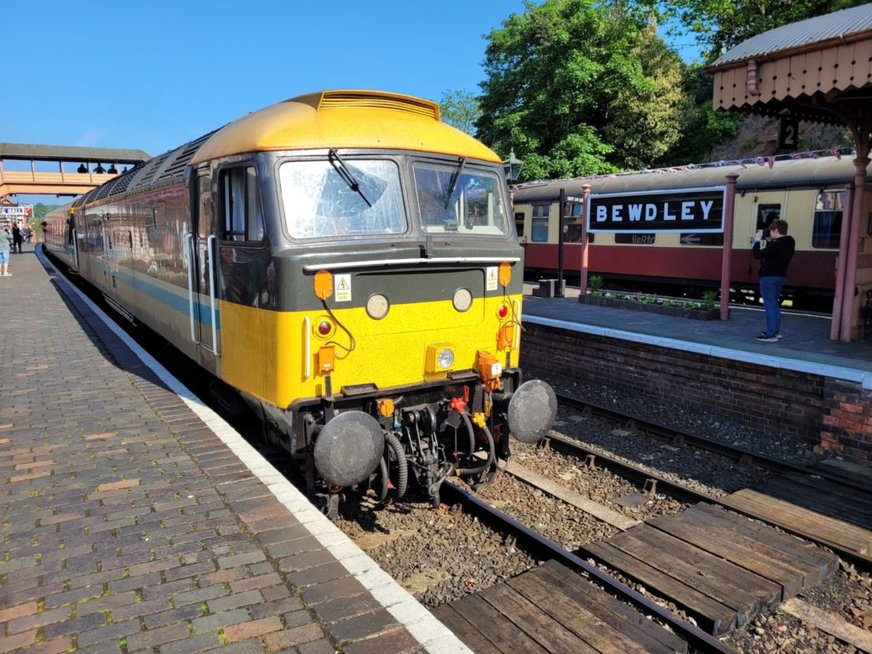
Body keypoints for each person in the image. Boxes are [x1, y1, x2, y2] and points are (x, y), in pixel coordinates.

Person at [752, 219, 795, 342]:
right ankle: (775, 331)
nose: (769, 232)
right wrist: (770, 241)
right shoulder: (789, 242)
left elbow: (757, 255)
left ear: (775, 229)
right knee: (774, 304)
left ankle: (770, 334)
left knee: (769, 305)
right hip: (780, 276)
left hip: (768, 277)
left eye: (771, 230)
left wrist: (757, 240)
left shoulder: (776, 244)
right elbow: (773, 252)